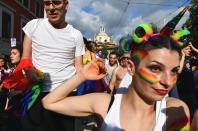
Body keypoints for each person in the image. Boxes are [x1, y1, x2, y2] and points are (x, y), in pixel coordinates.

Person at [42, 24, 190, 130]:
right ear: (131, 67)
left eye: (174, 71)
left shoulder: (175, 111)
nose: (168, 82)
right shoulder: (105, 104)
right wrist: (82, 75)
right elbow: (49, 102)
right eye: (155, 68)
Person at [20, 0, 85, 131]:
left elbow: (79, 68)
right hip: (37, 94)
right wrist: (29, 70)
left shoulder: (76, 35)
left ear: (66, 5)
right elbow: (25, 58)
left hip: (65, 96)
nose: (51, 8)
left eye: (56, 3)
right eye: (47, 3)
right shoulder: (34, 25)